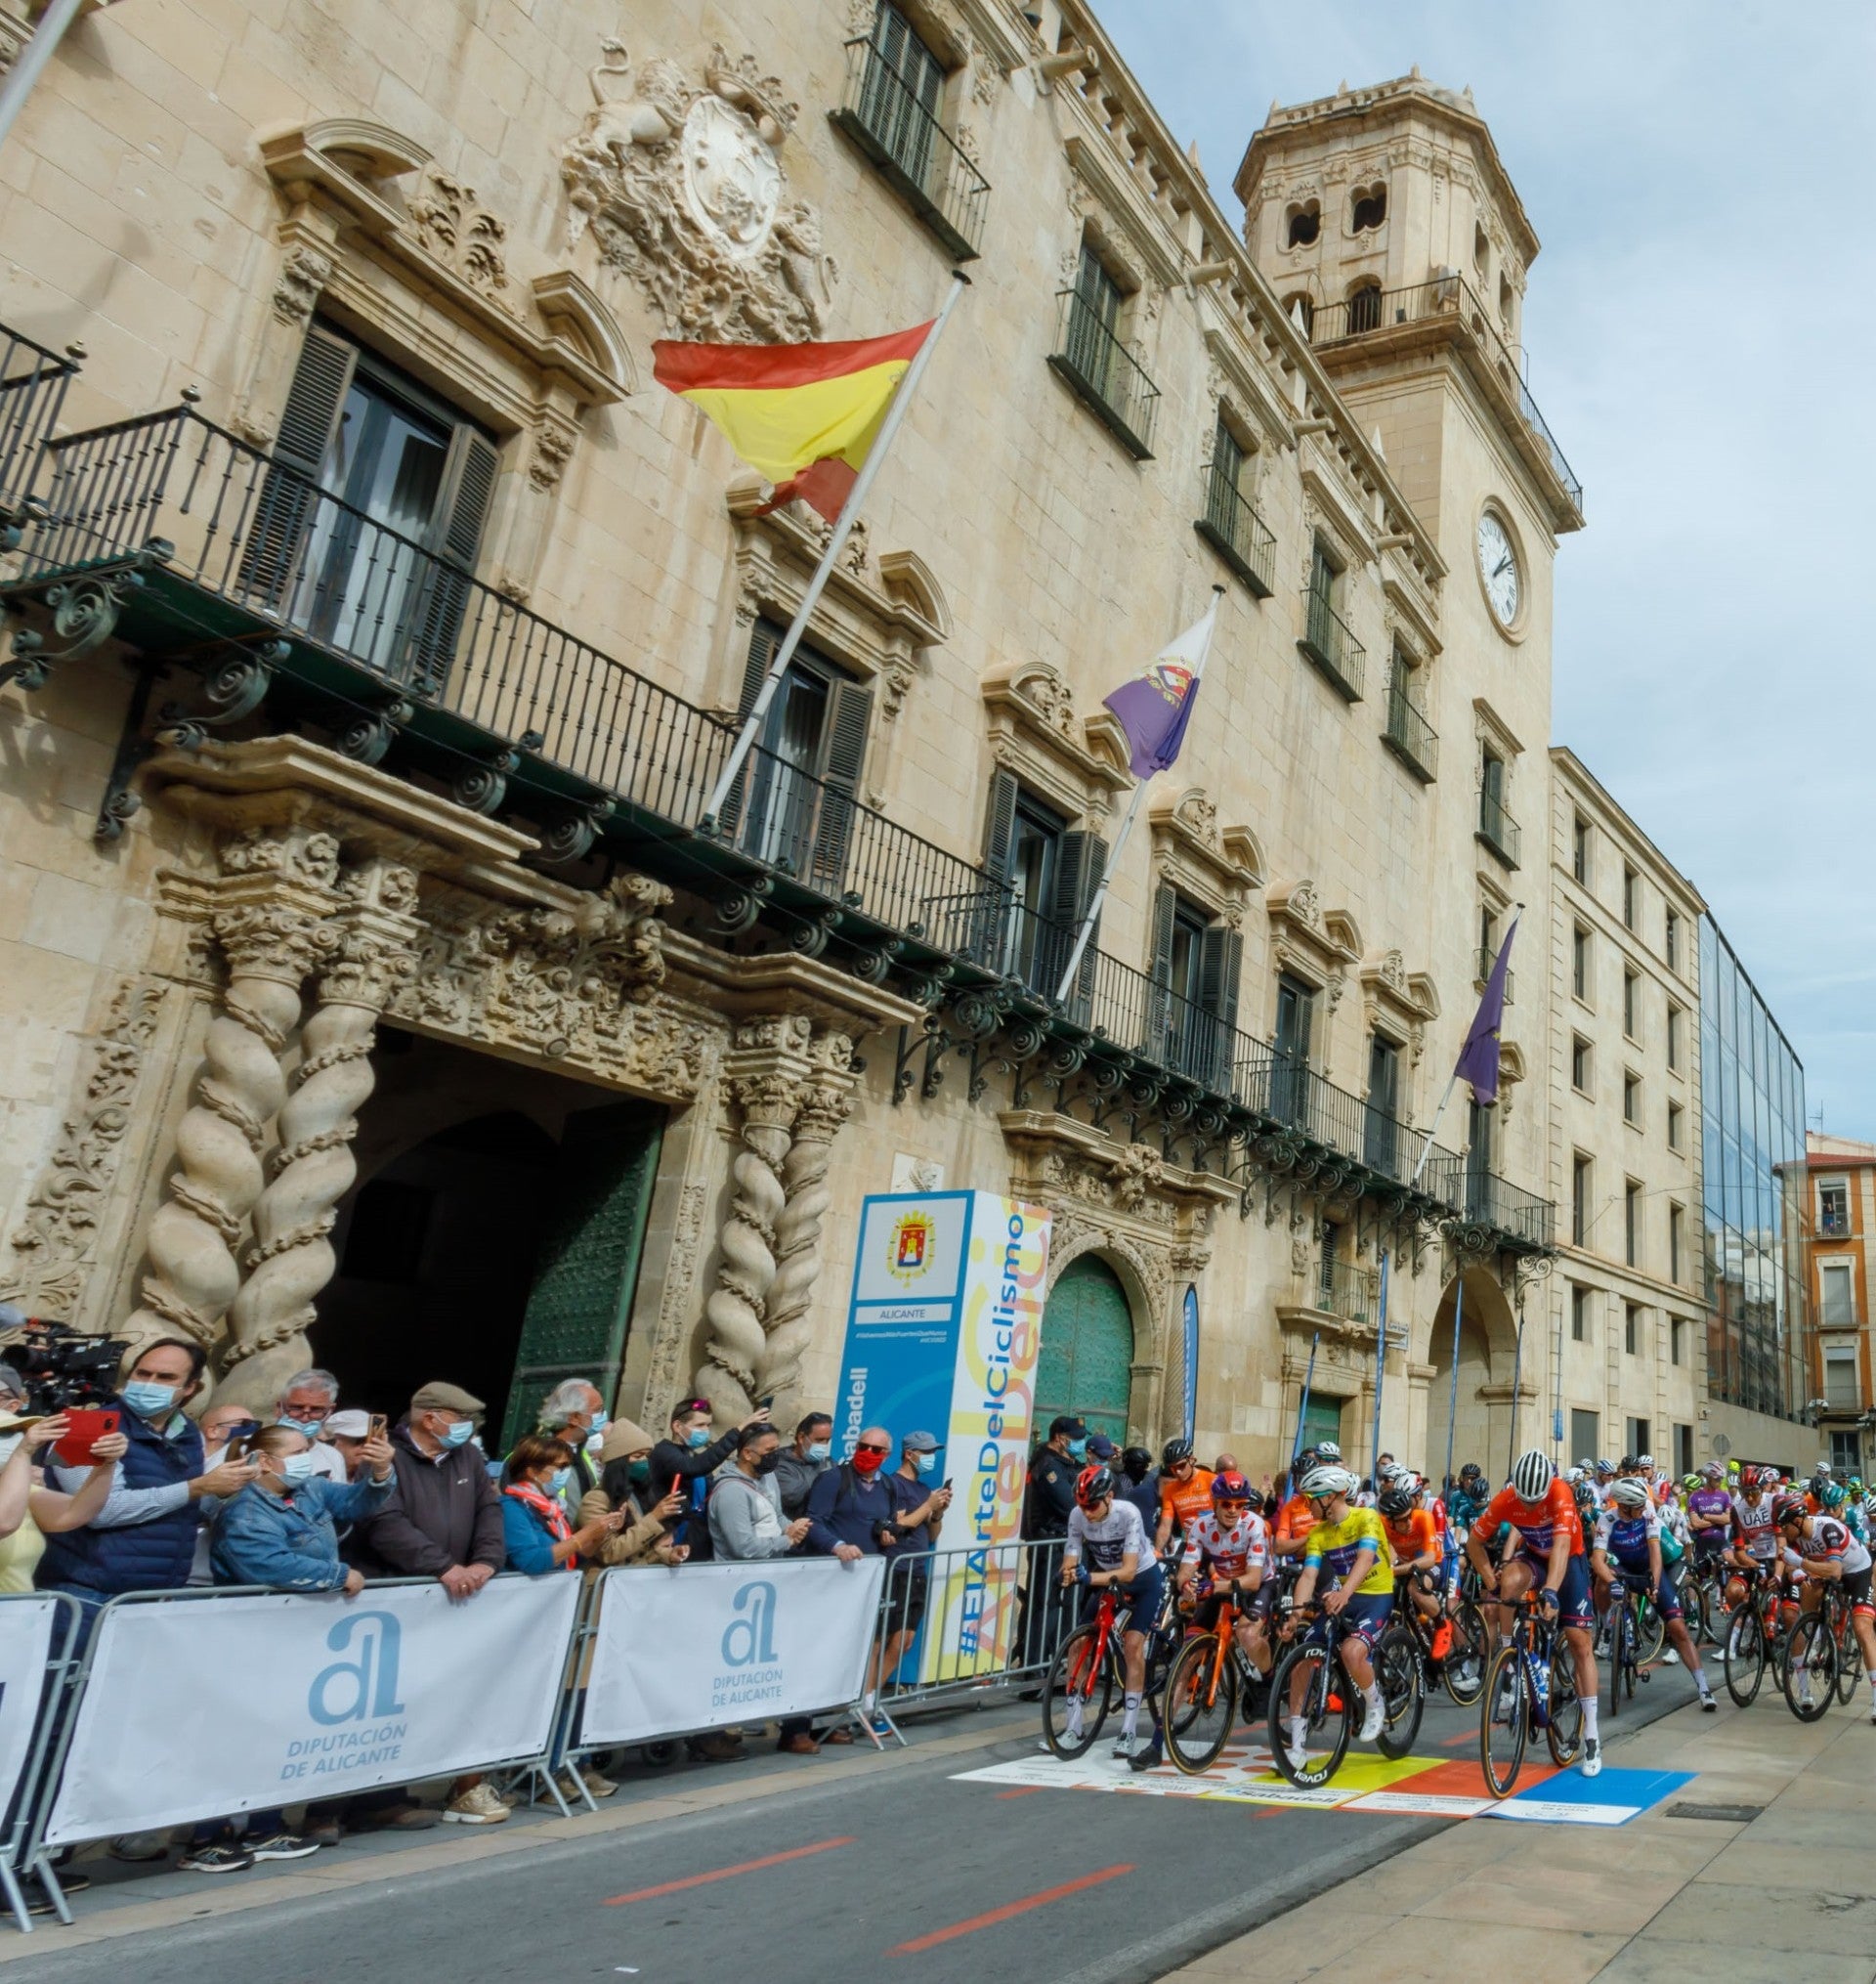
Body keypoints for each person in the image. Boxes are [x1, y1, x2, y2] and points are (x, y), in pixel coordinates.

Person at [188, 1421, 397, 1872]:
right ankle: (208, 1834)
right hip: (249, 1637)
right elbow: (266, 1563)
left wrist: (378, 1476)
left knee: (279, 1729)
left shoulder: (310, 1492)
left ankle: (265, 1824)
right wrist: (338, 1576)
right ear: (264, 1460)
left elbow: (356, 1503)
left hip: (297, 1638)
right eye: (301, 1449)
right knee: (235, 1732)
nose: (311, 1456)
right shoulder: (244, 1510)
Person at [344, 1381, 510, 1827]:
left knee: (431, 1695)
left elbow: (488, 1510)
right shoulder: (385, 1455)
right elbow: (383, 1521)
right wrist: (442, 1567)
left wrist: (486, 1561)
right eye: (459, 1418)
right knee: (379, 1700)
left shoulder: (469, 1457)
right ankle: (354, 1803)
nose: (467, 1428)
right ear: (429, 1417)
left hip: (454, 1594)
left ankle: (399, 1790)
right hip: (397, 1591)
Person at [36, 1338, 260, 1617]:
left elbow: (181, 1508)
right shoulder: (82, 1429)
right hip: (85, 1593)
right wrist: (197, 1487)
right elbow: (99, 1512)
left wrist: (222, 1489)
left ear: (190, 1388)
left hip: (155, 1596)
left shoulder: (188, 1434)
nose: (150, 1383)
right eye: (142, 1374)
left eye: (165, 1377)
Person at [1467, 1449, 1603, 1778]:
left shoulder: (1561, 1493)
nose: (1528, 1507)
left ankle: (1592, 1737)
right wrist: (1490, 1580)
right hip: (1534, 1557)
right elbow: (1474, 1543)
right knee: (1509, 1581)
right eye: (1524, 1502)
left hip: (1568, 1562)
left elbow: (1560, 1547)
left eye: (1534, 1501)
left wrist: (1552, 1592)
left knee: (1578, 1641)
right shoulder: (1505, 1499)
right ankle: (1510, 1652)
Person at [709, 1423, 826, 1755]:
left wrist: (793, 1528)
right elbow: (742, 1545)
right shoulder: (731, 1491)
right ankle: (721, 1729)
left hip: (773, 1581)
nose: (776, 1456)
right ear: (747, 1454)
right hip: (739, 1587)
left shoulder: (768, 1478)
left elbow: (776, 1516)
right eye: (769, 1451)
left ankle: (774, 1722)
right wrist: (785, 1540)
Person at [1279, 1465, 1392, 1762]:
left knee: (1352, 1652)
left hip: (1375, 1595)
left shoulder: (1366, 1517)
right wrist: (1295, 1615)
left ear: (1329, 1497)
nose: (1306, 1504)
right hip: (1345, 1597)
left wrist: (1344, 1592)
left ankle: (1374, 1702)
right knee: (1302, 1663)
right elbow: (1308, 1576)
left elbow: (1366, 1558)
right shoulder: (1318, 1533)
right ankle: (1297, 1747)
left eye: (1310, 1499)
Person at [1057, 1463, 1162, 1759]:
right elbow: (1072, 1555)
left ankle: (1128, 1730)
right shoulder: (1078, 1514)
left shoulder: (1128, 1514)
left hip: (1141, 1579)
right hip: (1106, 1579)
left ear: (1109, 1496)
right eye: (1082, 1505)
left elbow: (1128, 1572)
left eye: (1092, 1505)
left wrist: (1087, 1577)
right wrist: (1064, 1573)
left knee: (1132, 1645)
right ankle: (1073, 1727)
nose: (1087, 1512)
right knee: (1079, 1643)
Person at [805, 1423, 901, 1736]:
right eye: (862, 1447)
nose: (867, 1454)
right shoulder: (833, 1479)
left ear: (886, 1455)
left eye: (875, 1450)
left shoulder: (887, 1486)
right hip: (833, 1578)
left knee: (867, 1647)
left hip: (867, 1580)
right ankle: (818, 1718)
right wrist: (838, 1546)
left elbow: (886, 1521)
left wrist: (886, 1534)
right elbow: (813, 1521)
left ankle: (855, 1710)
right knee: (829, 1647)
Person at [1590, 1477, 1715, 1708]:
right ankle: (1608, 1628)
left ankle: (1704, 1688)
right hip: (1624, 1569)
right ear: (1624, 1507)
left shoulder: (1647, 1514)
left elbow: (1655, 1552)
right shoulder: (1606, 1520)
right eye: (1637, 1506)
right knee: (1601, 1581)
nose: (1643, 1508)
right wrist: (1612, 1581)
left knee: (1678, 1628)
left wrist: (1655, 1585)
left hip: (1648, 1569)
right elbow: (1597, 1560)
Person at [0, 1410, 129, 1595]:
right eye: (4, 1433)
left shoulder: (22, 1490)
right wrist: (22, 1453)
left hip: (20, 1618)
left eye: (17, 1431)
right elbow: (4, 1522)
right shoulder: (21, 1473)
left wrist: (106, 1464)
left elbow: (76, 1512)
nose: (17, 1438)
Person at [1774, 1490, 1876, 1719]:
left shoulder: (1827, 1528)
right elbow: (1788, 1564)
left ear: (1798, 1520)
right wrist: (1797, 1570)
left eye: (1784, 1526)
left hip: (1856, 1572)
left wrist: (1800, 1562)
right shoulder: (1796, 1535)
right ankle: (1819, 1633)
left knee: (1862, 1627)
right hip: (1826, 1568)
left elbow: (1836, 1571)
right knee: (1808, 1592)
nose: (1782, 1531)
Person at [648, 1397, 768, 1565]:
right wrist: (738, 1431)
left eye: (708, 1425)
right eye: (699, 1425)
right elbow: (695, 1467)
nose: (705, 1430)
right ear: (677, 1426)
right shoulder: (664, 1452)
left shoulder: (691, 1454)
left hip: (699, 1541)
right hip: (672, 1540)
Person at [878, 1430, 952, 1700]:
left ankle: (870, 1697)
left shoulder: (923, 1490)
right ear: (909, 1454)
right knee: (884, 1641)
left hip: (917, 1571)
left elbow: (931, 1535)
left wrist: (938, 1512)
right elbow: (898, 1525)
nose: (931, 1458)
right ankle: (867, 1697)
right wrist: (927, 1506)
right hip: (895, 1570)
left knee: (904, 1642)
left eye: (934, 1453)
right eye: (926, 1453)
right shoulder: (892, 1484)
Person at [500, 1433, 624, 1574]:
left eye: (568, 1466)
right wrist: (585, 1533)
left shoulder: (553, 1507)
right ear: (532, 1471)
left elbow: (575, 1554)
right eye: (561, 1467)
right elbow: (531, 1561)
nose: (566, 1472)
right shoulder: (511, 1507)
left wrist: (601, 1531)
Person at [1017, 1417, 1084, 1671]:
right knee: (1046, 1605)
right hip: (1049, 1541)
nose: (1079, 1443)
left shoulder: (1067, 1463)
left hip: (1064, 1542)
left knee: (1062, 1606)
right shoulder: (1048, 1466)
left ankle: (1054, 1664)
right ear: (1060, 1437)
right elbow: (1070, 1504)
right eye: (1075, 1438)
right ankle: (1035, 1669)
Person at [580, 1417, 691, 1568]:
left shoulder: (638, 1494)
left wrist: (669, 1555)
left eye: (647, 1456)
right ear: (620, 1461)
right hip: (606, 1584)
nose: (644, 1461)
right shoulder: (597, 1499)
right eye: (638, 1456)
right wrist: (654, 1517)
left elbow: (642, 1550)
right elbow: (608, 1552)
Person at [1379, 1479, 1446, 1655]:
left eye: (1409, 1516)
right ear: (1390, 1521)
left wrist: (1393, 1570)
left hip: (1434, 1563)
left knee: (1415, 1588)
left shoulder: (1424, 1517)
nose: (1409, 1522)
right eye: (1402, 1520)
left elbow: (1430, 1559)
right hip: (1406, 1564)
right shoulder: (1382, 1524)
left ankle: (1442, 1625)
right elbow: (1386, 1549)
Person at [534, 1379, 609, 1521]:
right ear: (574, 1418)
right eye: (598, 1410)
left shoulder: (581, 1454)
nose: (604, 1415)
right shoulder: (536, 1456)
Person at [271, 1369, 347, 1484]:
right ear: (279, 1408)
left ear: (330, 1411)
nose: (305, 1419)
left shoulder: (333, 1457)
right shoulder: (249, 1448)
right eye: (296, 1408)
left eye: (316, 1410)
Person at [1154, 1437, 1215, 1551]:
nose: (1177, 1471)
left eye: (1181, 1466)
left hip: (1215, 1543)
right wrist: (1157, 1552)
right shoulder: (1170, 1489)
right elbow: (1165, 1526)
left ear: (1191, 1460)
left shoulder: (1212, 1481)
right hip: (1190, 1544)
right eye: (1172, 1468)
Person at [773, 1411, 833, 1522]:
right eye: (819, 1440)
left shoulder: (828, 1463)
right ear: (801, 1437)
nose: (823, 1445)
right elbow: (793, 1496)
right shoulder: (778, 1465)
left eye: (827, 1440)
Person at [1117, 1446, 1158, 1529]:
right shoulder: (1123, 1480)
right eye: (1141, 1466)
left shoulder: (1145, 1478)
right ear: (1131, 1465)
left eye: (1146, 1466)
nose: (1144, 1469)